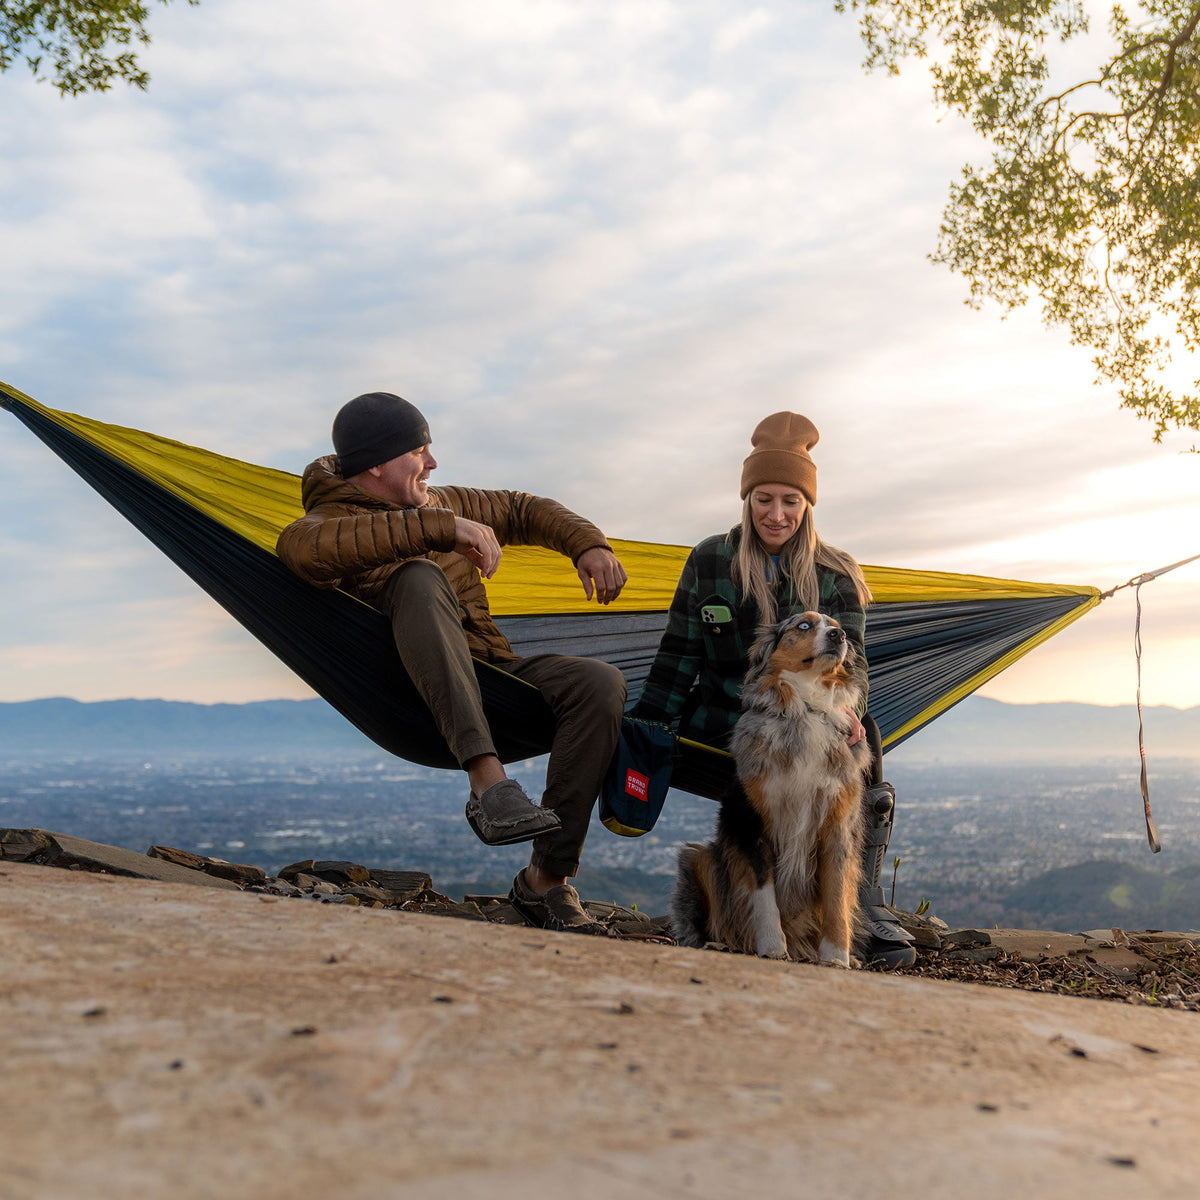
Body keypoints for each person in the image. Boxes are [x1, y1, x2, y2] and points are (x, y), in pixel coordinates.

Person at [277, 391, 629, 936]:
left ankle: (546, 881)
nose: (433, 463)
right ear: (376, 463)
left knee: (599, 682)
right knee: (418, 577)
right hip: (413, 698)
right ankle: (488, 787)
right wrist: (444, 527)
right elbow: (302, 550)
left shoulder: (439, 498)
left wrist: (587, 544)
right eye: (419, 451)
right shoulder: (330, 520)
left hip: (491, 678)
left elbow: (521, 507)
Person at [632, 411, 916, 969]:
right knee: (630, 733)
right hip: (719, 726)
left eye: (791, 500)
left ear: (808, 505)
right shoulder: (710, 558)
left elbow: (852, 669)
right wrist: (643, 726)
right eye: (764, 499)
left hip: (810, 721)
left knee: (869, 744)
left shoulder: (837, 574)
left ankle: (862, 903)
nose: (777, 514)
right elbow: (678, 654)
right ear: (747, 498)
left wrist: (852, 713)